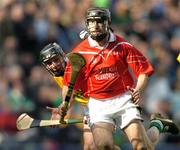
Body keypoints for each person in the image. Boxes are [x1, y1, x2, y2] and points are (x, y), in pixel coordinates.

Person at [61, 7, 179, 150]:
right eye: (91, 22)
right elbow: (68, 84)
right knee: (104, 146)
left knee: (141, 146)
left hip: (123, 99)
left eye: (99, 21)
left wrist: (138, 90)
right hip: (98, 104)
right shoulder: (79, 52)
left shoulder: (123, 46)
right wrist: (65, 105)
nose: (95, 26)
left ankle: (157, 125)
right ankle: (158, 124)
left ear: (108, 22)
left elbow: (143, 71)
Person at [39, 42, 121, 150]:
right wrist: (62, 110)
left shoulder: (75, 66)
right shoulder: (58, 74)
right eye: (49, 63)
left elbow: (71, 94)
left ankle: (152, 127)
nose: (54, 65)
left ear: (63, 55)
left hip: (106, 101)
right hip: (91, 108)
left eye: (56, 60)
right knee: (90, 147)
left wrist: (63, 109)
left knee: (134, 141)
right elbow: (74, 95)